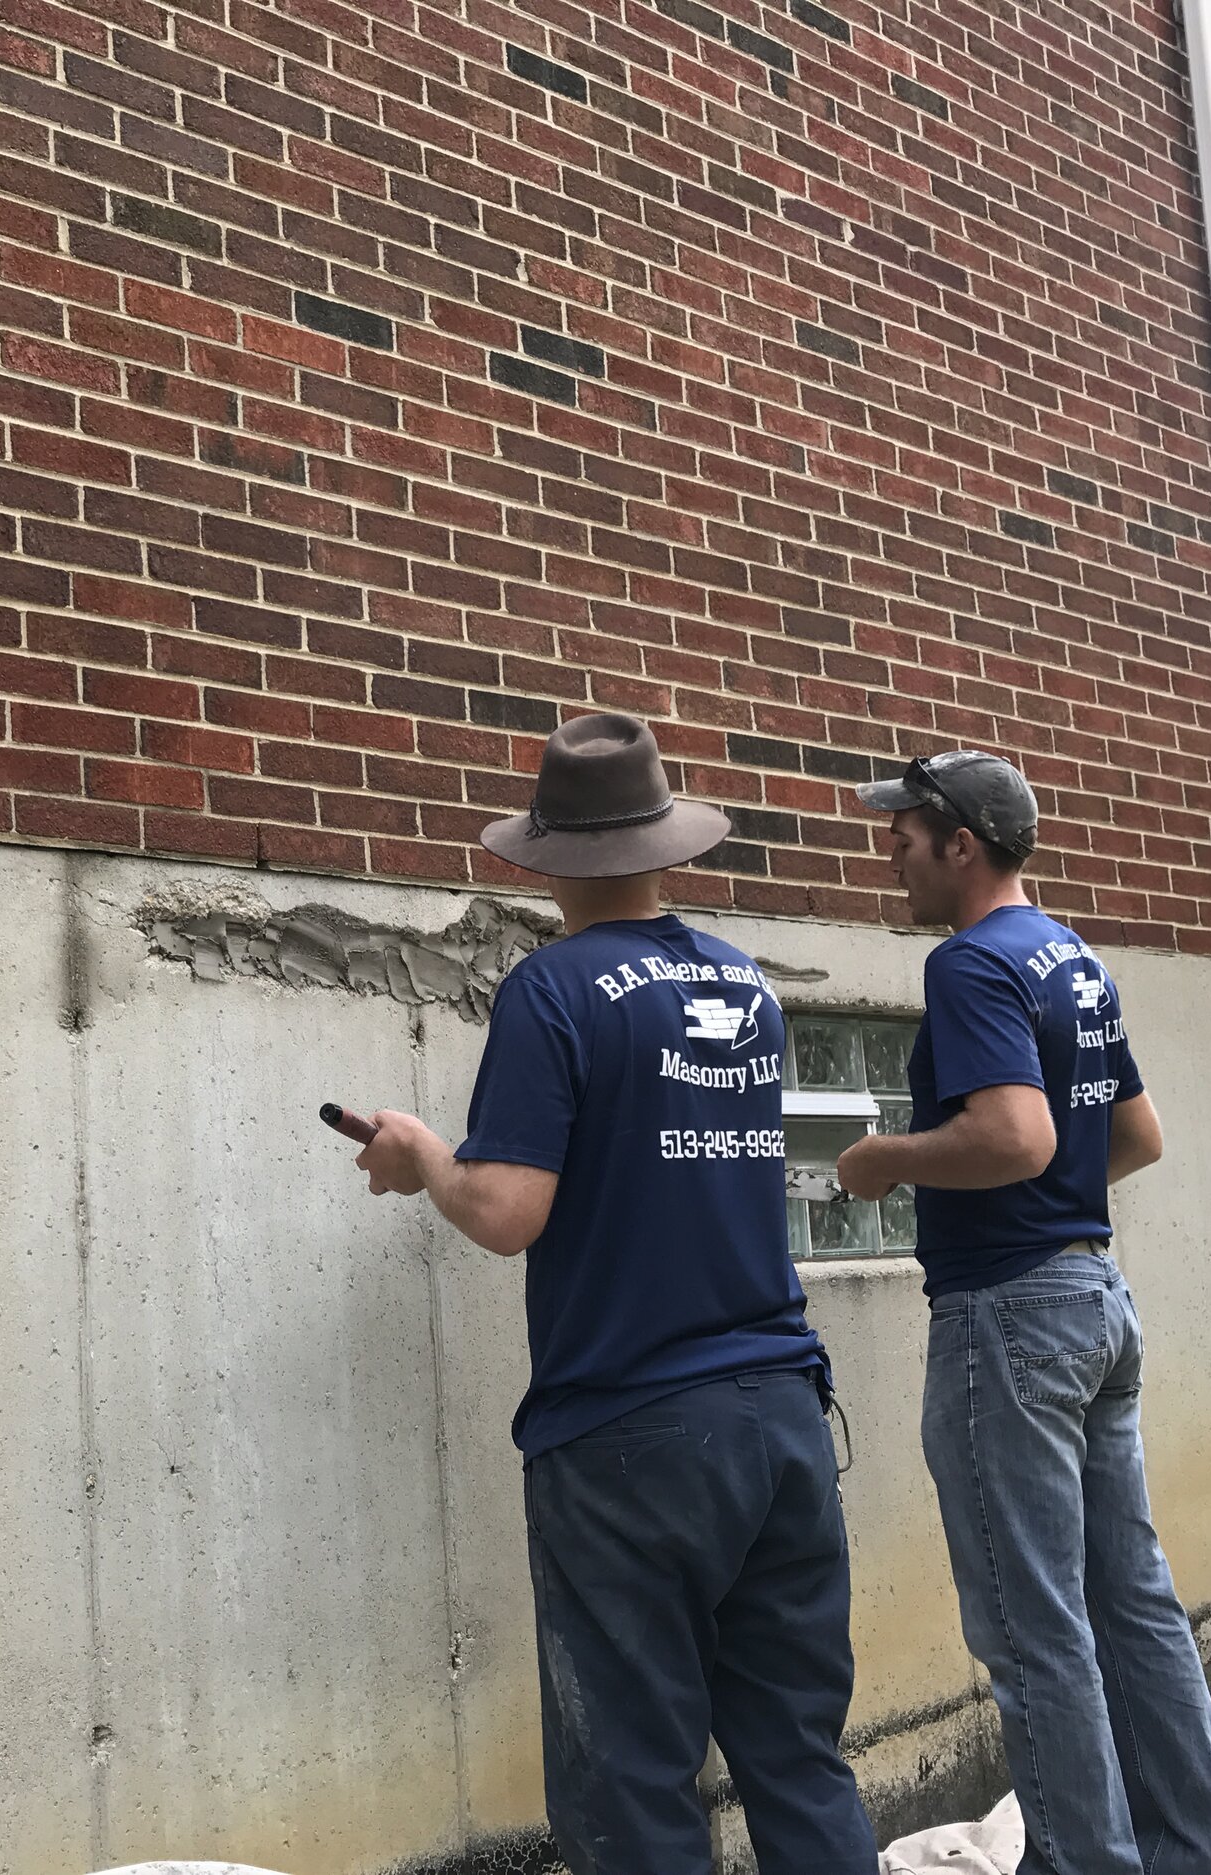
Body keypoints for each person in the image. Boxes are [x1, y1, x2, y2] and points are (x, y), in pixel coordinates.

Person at [348, 713, 878, 1875]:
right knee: (796, 1754)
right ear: (664, 845)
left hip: (631, 1435)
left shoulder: (553, 991)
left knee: (631, 1783)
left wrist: (423, 1155)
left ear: (547, 859)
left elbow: (504, 1214)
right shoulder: (744, 986)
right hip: (782, 1416)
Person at [834, 751, 1211, 1875]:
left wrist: (883, 1161)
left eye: (905, 835)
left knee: (1035, 1632)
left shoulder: (968, 965)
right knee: (1135, 1608)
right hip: (1094, 1300)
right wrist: (1050, 1208)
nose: (892, 853)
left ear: (961, 845)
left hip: (1008, 1322)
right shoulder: (1070, 957)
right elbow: (1133, 1137)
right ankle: (1194, 1857)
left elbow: (1014, 1136)